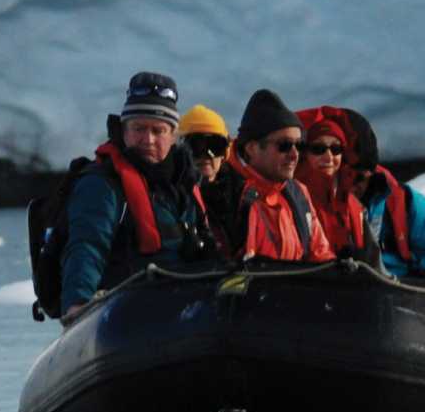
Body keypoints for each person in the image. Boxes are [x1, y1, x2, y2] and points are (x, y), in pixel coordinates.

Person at [59, 70, 206, 314]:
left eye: (157, 131)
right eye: (138, 128)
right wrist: (78, 304)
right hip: (124, 313)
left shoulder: (184, 184)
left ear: (172, 136)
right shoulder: (102, 183)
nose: (147, 139)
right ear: (124, 130)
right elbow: (87, 245)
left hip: (183, 307)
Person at [335, 107, 425, 285]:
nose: (351, 185)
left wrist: (424, 277)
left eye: (358, 177)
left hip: (401, 297)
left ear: (372, 171)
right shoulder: (310, 204)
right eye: (344, 176)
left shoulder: (404, 203)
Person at [205, 89, 336, 264]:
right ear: (252, 148)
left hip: (295, 289)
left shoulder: (298, 192)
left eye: (299, 145)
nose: (294, 154)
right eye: (284, 145)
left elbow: (320, 255)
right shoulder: (221, 192)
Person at [292, 106, 379, 263]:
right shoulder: (293, 197)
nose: (328, 156)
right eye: (318, 148)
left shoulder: (352, 205)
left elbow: (372, 261)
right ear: (304, 154)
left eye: (336, 148)